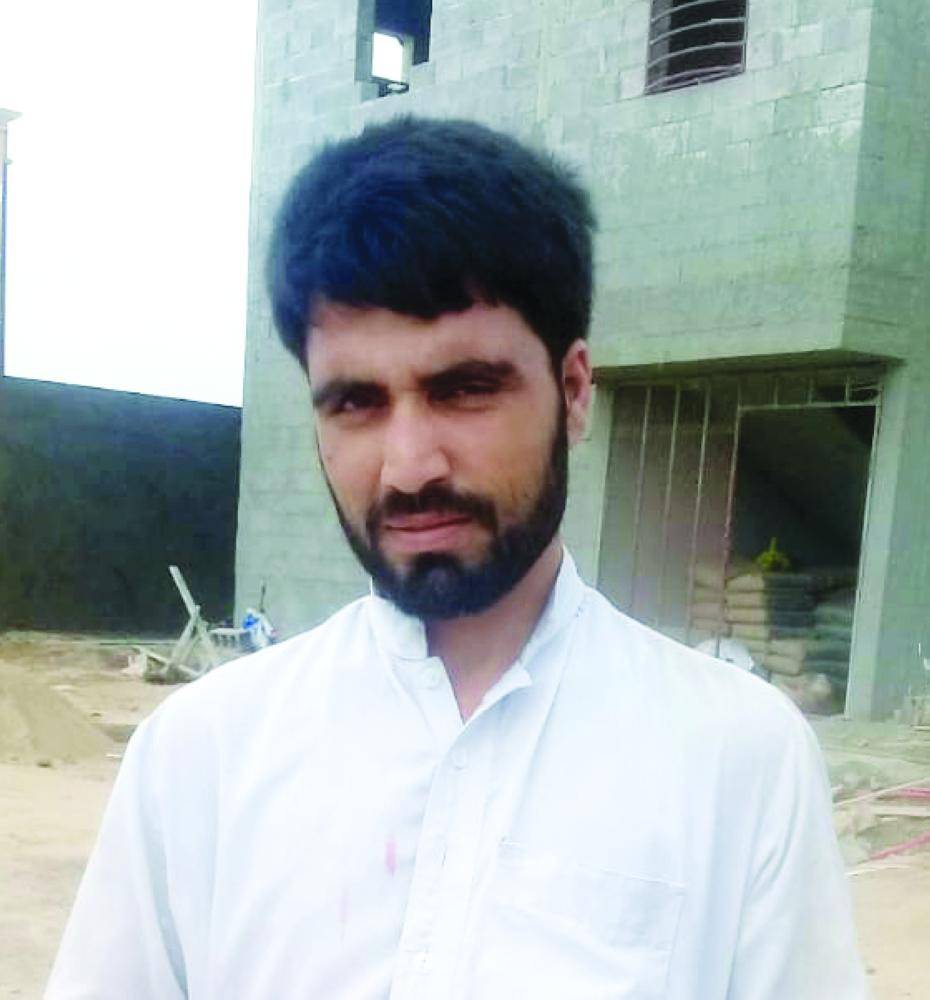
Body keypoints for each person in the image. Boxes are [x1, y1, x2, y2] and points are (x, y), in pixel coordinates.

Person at [47, 117, 866, 999]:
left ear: (573, 391)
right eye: (356, 403)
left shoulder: (740, 759)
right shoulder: (200, 756)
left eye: (465, 390)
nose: (409, 467)